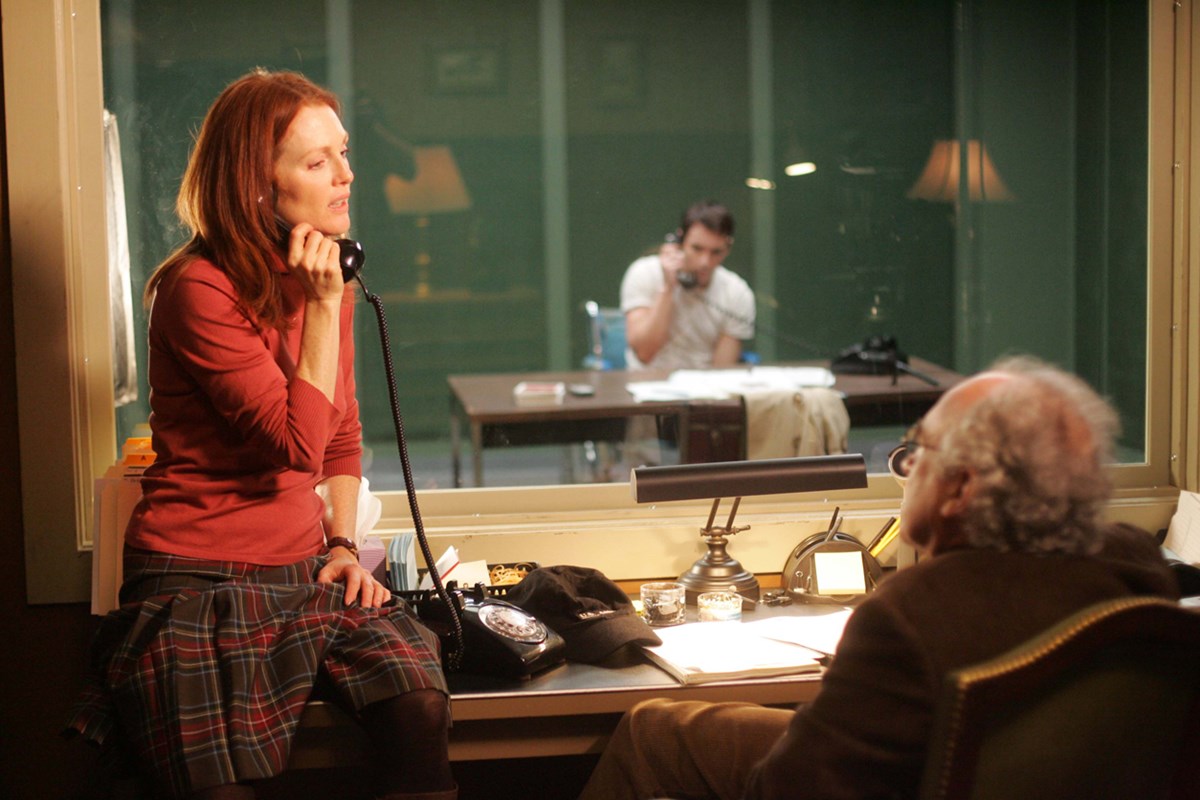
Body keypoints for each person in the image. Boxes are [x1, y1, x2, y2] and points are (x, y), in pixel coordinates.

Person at [65, 70, 456, 800]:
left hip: (301, 572)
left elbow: (340, 439)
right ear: (257, 188)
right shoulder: (197, 290)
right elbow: (294, 445)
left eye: (343, 153)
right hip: (194, 580)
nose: (345, 176)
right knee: (218, 787)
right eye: (317, 162)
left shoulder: (323, 284)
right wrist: (322, 306)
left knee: (419, 706)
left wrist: (342, 545)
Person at [578, 356, 1179, 800]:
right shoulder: (1136, 566)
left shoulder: (910, 613)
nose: (907, 466)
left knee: (651, 731)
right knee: (666, 727)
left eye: (920, 450)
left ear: (960, 489)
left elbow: (791, 791)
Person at [620, 200, 755, 370]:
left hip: (704, 383)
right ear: (680, 241)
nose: (705, 262)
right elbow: (644, 354)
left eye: (716, 252)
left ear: (728, 249)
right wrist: (668, 288)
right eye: (697, 249)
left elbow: (721, 373)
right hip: (647, 381)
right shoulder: (643, 273)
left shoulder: (737, 293)